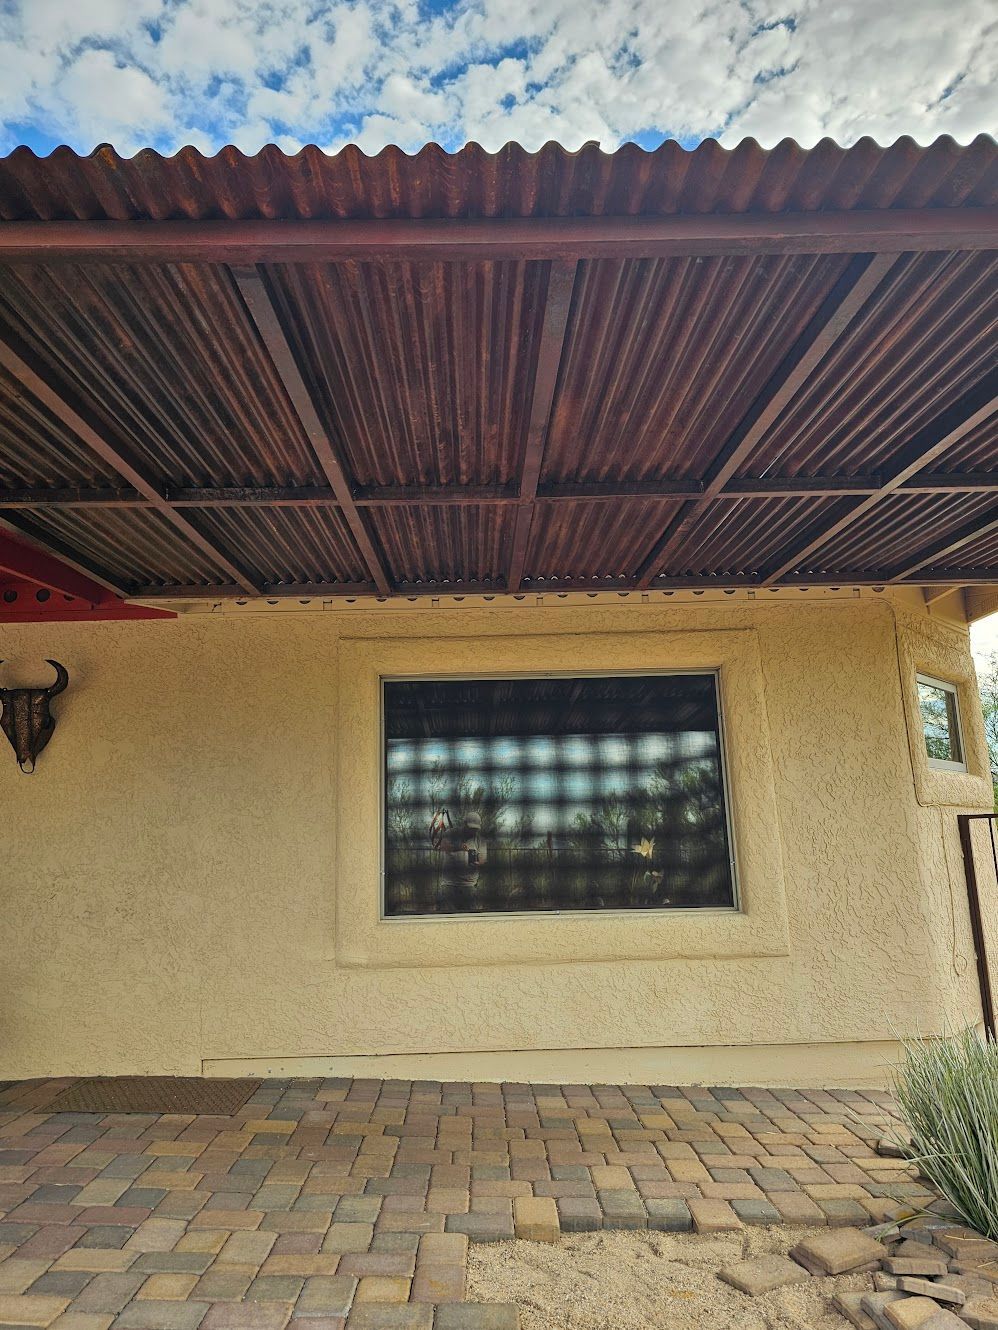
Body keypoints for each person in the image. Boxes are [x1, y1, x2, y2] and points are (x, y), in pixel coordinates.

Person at [439, 810, 487, 912]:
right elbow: (443, 847)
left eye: (475, 829)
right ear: (464, 824)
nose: (473, 831)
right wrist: (459, 847)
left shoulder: (480, 840)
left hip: (469, 885)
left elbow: (483, 858)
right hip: (449, 884)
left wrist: (479, 863)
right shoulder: (451, 833)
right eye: (471, 828)